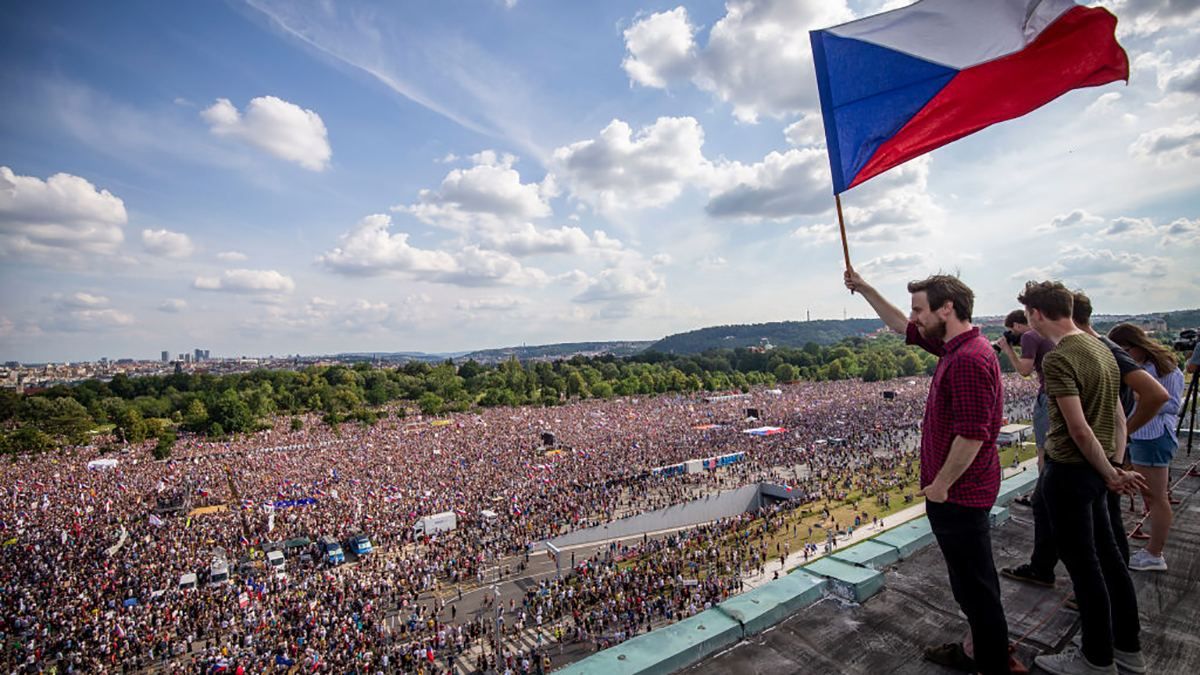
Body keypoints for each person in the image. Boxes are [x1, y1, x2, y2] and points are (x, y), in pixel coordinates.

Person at [845, 270, 1014, 675]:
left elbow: (972, 435)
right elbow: (898, 326)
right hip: (961, 492)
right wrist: (865, 288)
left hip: (959, 495)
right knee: (971, 585)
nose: (914, 318)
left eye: (919, 309)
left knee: (975, 589)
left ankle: (991, 661)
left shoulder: (968, 359)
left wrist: (940, 486)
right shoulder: (956, 347)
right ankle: (979, 648)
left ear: (946, 308)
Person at [1019, 281, 1147, 675]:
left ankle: (1095, 658)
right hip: (1098, 467)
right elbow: (1119, 417)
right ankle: (1127, 648)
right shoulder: (1101, 348)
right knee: (1111, 561)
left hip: (1070, 473)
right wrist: (1114, 465)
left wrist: (1111, 473)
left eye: (1027, 313)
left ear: (1038, 313)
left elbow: (1078, 429)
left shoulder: (1060, 358)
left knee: (1085, 568)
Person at [1001, 293, 1168, 586]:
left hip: (1087, 458)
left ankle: (1098, 595)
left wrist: (1114, 460)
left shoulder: (1094, 350)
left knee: (1098, 544)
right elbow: (1117, 412)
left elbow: (1155, 395)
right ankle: (1047, 568)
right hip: (1098, 454)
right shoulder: (1098, 348)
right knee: (1090, 531)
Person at [1108, 323, 1185, 572]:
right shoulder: (1145, 366)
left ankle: (1154, 554)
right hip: (1143, 436)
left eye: (1125, 350)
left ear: (1137, 345)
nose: (1124, 356)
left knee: (1156, 497)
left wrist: (1141, 395)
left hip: (1154, 436)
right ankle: (1153, 549)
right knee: (1150, 496)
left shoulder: (1164, 368)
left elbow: (1172, 405)